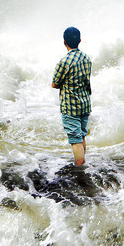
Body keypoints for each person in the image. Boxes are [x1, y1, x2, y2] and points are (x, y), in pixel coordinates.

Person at [51, 26, 92, 166]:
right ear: (80, 40)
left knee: (75, 140)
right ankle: (83, 163)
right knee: (81, 135)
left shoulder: (64, 62)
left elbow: (54, 84)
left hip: (70, 105)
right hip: (85, 103)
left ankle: (81, 170)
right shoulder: (87, 58)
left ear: (64, 42)